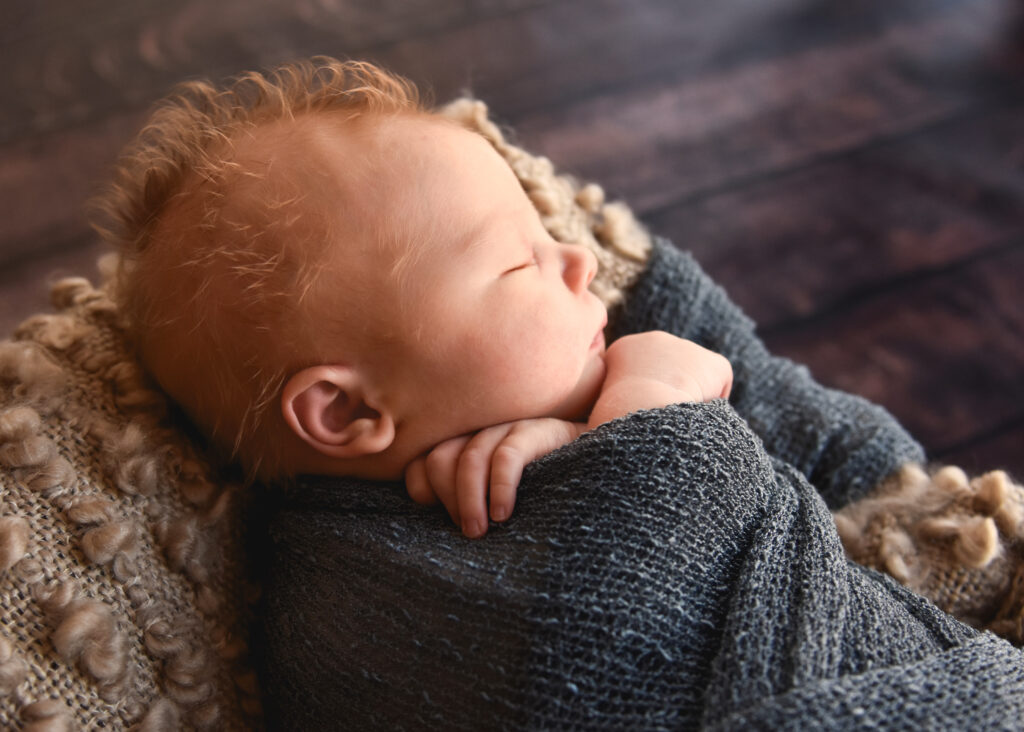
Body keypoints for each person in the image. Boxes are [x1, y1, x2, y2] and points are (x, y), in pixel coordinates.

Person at [97, 57, 1024, 730]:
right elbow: (611, 620)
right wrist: (661, 409)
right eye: (516, 260)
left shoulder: (565, 417)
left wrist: (600, 440)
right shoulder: (349, 602)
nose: (579, 258)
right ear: (346, 413)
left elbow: (859, 465)